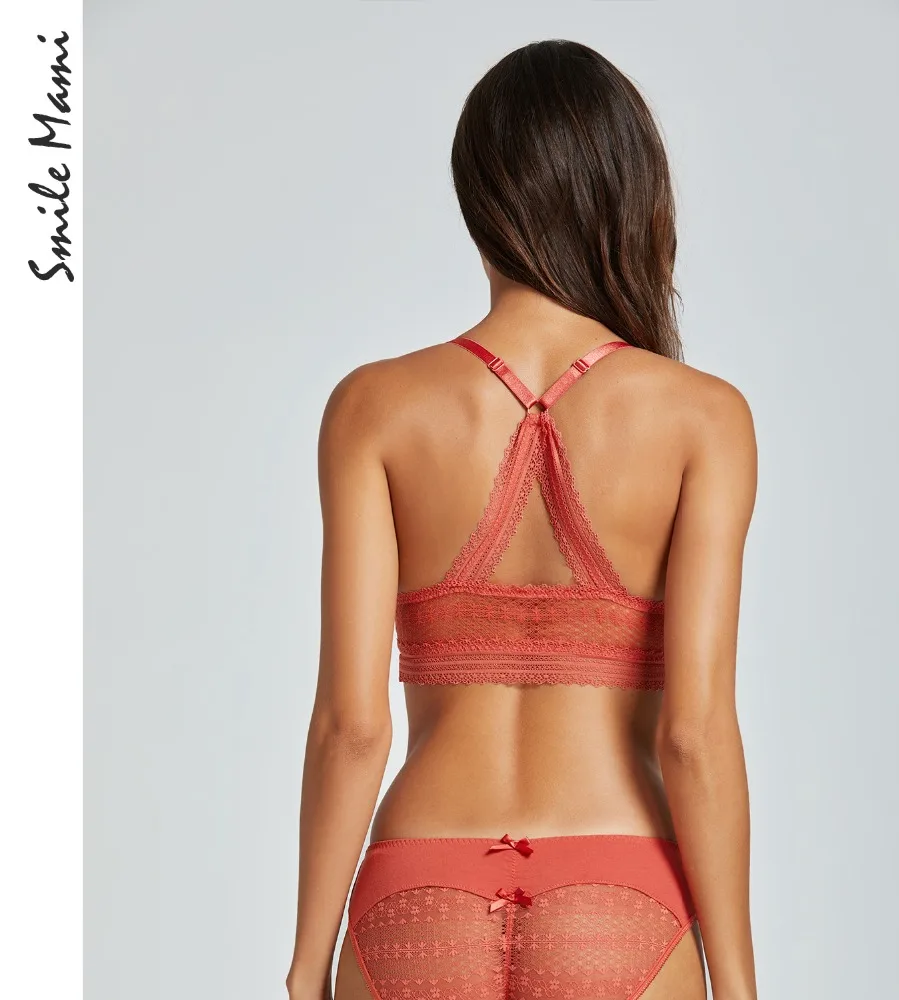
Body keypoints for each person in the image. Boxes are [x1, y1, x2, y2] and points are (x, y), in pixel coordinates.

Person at [286, 39, 758, 1000]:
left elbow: (352, 727)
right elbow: (695, 734)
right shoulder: (704, 417)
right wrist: (739, 980)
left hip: (417, 893)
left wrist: (305, 968)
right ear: (629, 194)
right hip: (620, 898)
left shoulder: (373, 407)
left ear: (478, 197)